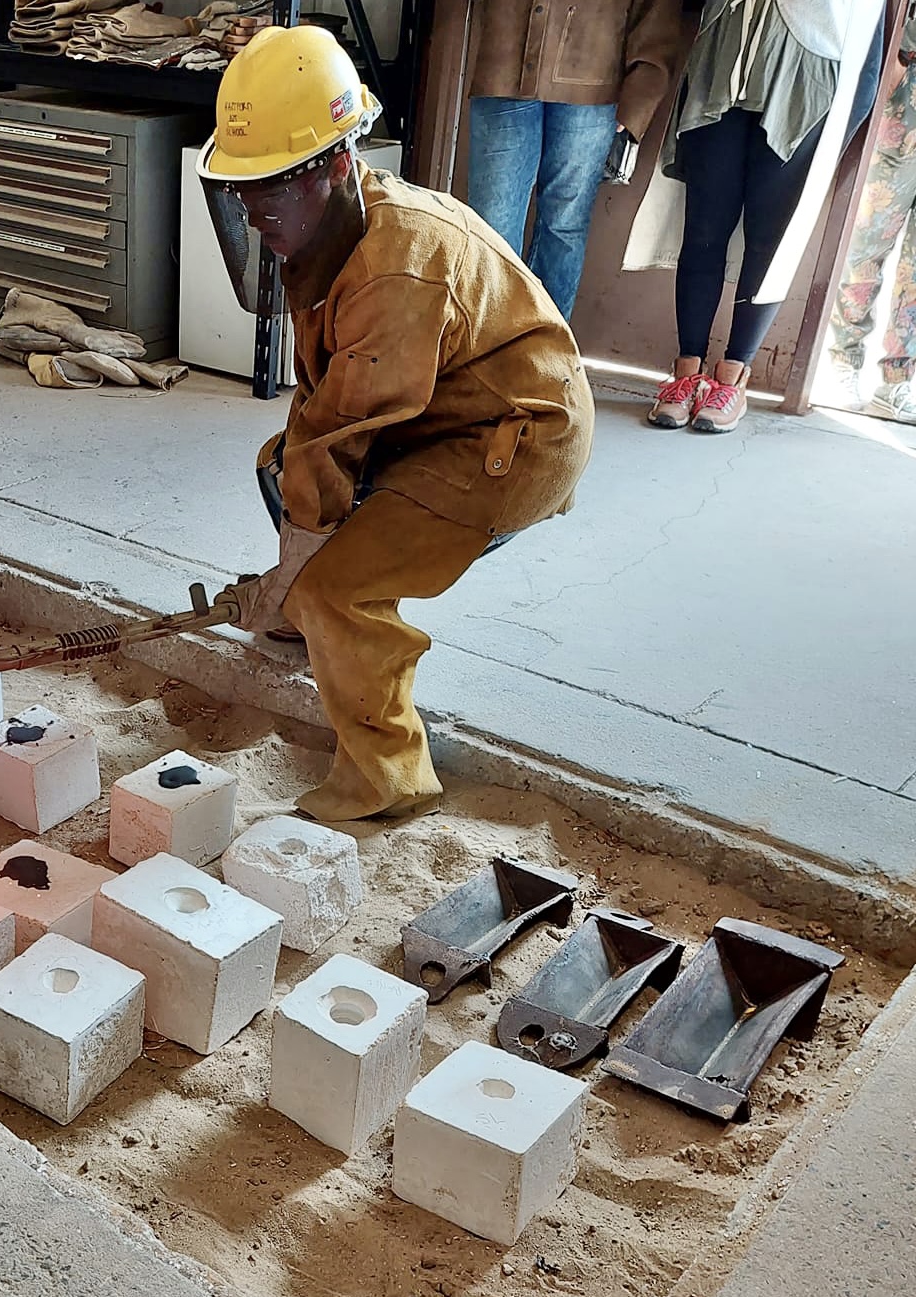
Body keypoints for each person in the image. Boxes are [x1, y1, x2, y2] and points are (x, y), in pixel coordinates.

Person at [197, 26, 595, 824]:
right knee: (283, 469)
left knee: (340, 590)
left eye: (273, 188)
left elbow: (341, 434)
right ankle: (307, 620)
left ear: (340, 163)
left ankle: (386, 779)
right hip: (446, 414)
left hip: (511, 440)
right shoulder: (342, 228)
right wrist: (289, 575)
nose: (255, 210)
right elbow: (320, 417)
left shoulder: (398, 270)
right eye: (245, 191)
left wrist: (301, 580)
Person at [630, 0, 885, 434]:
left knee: (769, 238)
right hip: (724, 58)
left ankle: (733, 377)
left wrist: (839, 133)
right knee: (704, 228)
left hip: (808, 76)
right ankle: (685, 373)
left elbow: (867, 36)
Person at [467, 0, 685, 319]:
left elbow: (658, 12)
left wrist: (639, 95)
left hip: (594, 82)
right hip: (504, 66)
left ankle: (546, 351)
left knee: (564, 223)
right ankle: (484, 344)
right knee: (491, 220)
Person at [826, 12, 916, 423]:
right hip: (906, 95)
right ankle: (843, 362)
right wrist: (894, 63)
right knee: (866, 243)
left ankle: (897, 380)